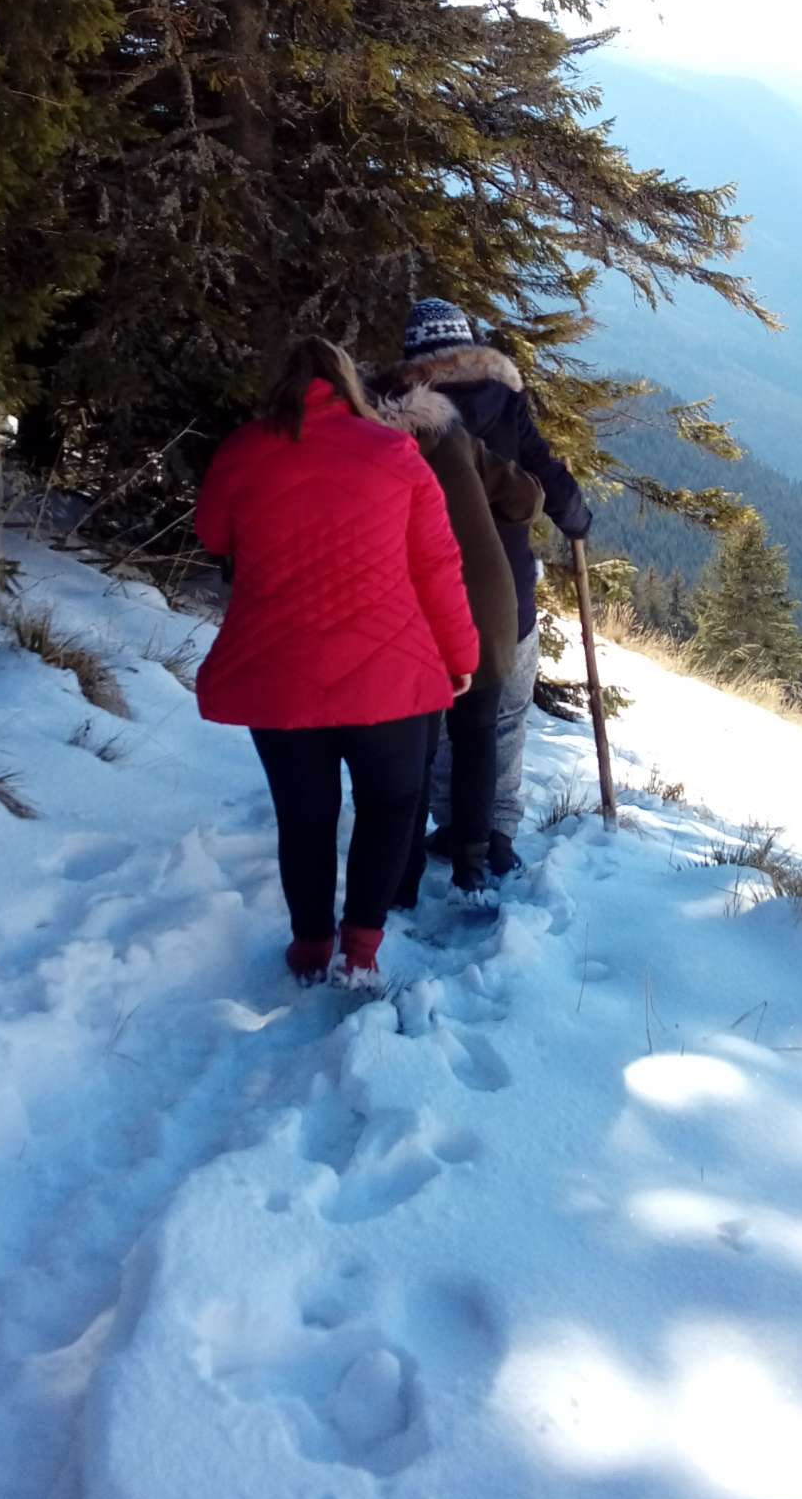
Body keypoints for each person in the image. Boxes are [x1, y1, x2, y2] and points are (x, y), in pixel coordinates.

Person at [193, 336, 478, 985]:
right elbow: (436, 566)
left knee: (304, 817)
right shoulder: (396, 453)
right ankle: (362, 948)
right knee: (390, 805)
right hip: (387, 675)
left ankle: (310, 947)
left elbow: (213, 535)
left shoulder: (241, 450)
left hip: (278, 672)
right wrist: (460, 654)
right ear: (350, 385)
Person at [387, 299, 592, 866]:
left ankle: (442, 827)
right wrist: (577, 518)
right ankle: (491, 837)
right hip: (506, 595)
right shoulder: (505, 401)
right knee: (499, 721)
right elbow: (547, 478)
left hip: (422, 595)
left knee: (431, 724)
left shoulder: (398, 414)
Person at [369, 371, 542, 904]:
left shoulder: (367, 446)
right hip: (488, 606)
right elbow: (527, 498)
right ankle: (471, 868)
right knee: (477, 735)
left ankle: (402, 879)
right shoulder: (454, 437)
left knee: (415, 750)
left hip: (418, 612)